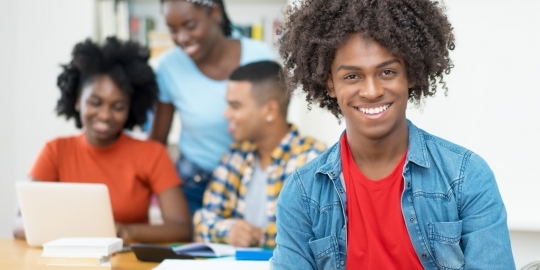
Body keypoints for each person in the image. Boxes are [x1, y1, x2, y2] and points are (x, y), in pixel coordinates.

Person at [270, 0, 515, 269]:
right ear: (330, 83)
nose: (372, 91)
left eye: (387, 72)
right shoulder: (302, 194)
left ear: (410, 74)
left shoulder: (466, 176)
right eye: (352, 76)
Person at [14, 37, 191, 244]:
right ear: (78, 101)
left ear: (130, 108)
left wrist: (126, 232)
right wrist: (82, 231)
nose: (105, 115)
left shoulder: (152, 154)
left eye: (118, 107)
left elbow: (181, 228)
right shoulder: (55, 150)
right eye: (95, 103)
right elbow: (19, 224)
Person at [150, 0, 274, 217]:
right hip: (195, 184)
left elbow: (275, 125)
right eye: (172, 30)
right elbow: (156, 143)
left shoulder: (259, 56)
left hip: (252, 180)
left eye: (190, 26)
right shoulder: (169, 67)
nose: (182, 38)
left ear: (215, 13)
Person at [193, 61, 326, 248]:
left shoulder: (313, 160)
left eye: (235, 106)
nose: (226, 114)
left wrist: (255, 237)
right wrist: (230, 231)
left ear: (270, 110)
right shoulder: (235, 156)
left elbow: (319, 236)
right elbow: (202, 221)